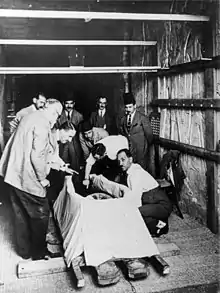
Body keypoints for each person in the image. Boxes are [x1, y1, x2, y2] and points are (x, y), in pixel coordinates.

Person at [0, 99, 75, 260]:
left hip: (13, 174)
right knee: (41, 212)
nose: (56, 120)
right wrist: (42, 179)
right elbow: (37, 156)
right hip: (25, 176)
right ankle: (39, 253)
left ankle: (24, 251)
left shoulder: (30, 116)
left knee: (20, 213)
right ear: (53, 112)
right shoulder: (42, 124)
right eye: (57, 115)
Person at [117, 149, 172, 237]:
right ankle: (159, 222)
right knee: (132, 214)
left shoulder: (136, 174)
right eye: (118, 161)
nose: (120, 163)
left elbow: (136, 199)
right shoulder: (131, 172)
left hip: (162, 205)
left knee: (135, 213)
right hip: (153, 203)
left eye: (123, 160)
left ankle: (161, 226)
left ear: (130, 159)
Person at [119, 92, 153, 170]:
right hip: (129, 152)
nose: (128, 109)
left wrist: (144, 148)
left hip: (141, 152)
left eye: (130, 107)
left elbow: (149, 136)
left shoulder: (142, 118)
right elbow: (122, 134)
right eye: (126, 107)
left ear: (135, 106)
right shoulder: (123, 119)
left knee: (141, 172)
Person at [56, 93, 84, 173]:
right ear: (63, 103)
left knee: (75, 165)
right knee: (62, 164)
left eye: (71, 103)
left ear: (74, 104)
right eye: (67, 103)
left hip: (75, 146)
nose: (69, 106)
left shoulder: (79, 116)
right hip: (62, 145)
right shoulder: (58, 115)